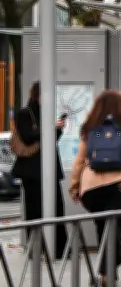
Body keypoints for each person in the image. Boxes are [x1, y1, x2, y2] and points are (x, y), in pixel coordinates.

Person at [68, 90, 121, 287]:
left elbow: (80, 159)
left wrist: (75, 185)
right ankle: (107, 272)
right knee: (115, 228)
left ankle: (107, 270)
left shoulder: (90, 126)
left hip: (92, 188)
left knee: (103, 226)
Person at [11, 81, 68, 259]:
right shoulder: (24, 113)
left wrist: (58, 129)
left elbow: (51, 140)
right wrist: (51, 128)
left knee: (57, 207)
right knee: (34, 210)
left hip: (50, 168)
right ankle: (35, 250)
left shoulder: (46, 113)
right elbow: (28, 137)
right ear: (38, 95)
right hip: (32, 172)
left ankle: (59, 249)